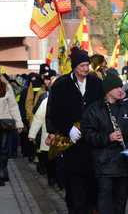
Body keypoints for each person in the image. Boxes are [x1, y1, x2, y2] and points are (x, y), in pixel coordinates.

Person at [46, 48, 104, 214]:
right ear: (74, 66)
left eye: (87, 65)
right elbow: (54, 112)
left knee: (93, 187)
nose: (86, 68)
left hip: (92, 143)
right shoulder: (61, 85)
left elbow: (102, 108)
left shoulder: (95, 83)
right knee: (74, 188)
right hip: (71, 144)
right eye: (82, 65)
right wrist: (67, 128)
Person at [81, 73, 128, 214]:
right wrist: (107, 137)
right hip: (104, 164)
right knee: (105, 201)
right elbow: (88, 134)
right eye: (116, 87)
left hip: (124, 163)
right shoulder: (94, 109)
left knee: (121, 201)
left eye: (121, 87)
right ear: (108, 90)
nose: (120, 90)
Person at [28, 74, 58, 187]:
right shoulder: (46, 101)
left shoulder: (66, 100)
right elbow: (38, 118)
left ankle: (58, 179)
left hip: (61, 137)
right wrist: (32, 134)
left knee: (59, 160)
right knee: (50, 160)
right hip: (48, 135)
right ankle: (51, 179)